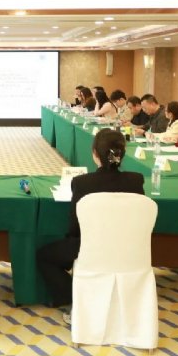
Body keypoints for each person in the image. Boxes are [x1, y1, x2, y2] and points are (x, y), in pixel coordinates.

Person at [36, 129, 144, 320]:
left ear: (95, 154)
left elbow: (74, 226)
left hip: (90, 247)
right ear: (123, 153)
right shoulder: (136, 181)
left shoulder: (82, 183)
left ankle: (75, 300)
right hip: (128, 249)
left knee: (44, 256)